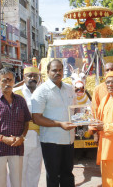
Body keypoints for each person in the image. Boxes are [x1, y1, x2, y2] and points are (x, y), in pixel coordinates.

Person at [0, 68, 31, 187]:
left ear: (14, 82)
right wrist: (3, 138)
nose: (7, 83)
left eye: (10, 80)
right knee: (0, 183)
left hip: (17, 147)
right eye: (4, 80)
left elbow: (26, 122)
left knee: (17, 182)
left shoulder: (21, 101)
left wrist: (22, 137)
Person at [32, 59, 77, 187]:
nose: (57, 73)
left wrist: (82, 118)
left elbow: (75, 110)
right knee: (53, 176)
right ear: (47, 72)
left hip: (69, 140)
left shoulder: (69, 88)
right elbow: (36, 118)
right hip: (51, 141)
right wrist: (59, 124)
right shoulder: (41, 91)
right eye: (54, 70)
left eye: (60, 70)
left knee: (68, 174)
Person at [13, 67, 42, 187]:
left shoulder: (42, 92)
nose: (32, 78)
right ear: (23, 78)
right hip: (22, 137)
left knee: (35, 169)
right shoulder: (15, 92)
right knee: (20, 169)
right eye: (29, 76)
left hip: (40, 136)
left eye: (35, 76)